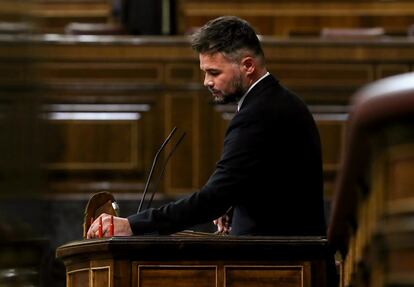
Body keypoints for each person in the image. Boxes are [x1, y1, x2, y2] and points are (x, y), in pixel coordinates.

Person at [87, 16, 326, 239]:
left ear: (248, 66)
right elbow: (274, 184)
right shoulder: (279, 101)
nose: (206, 82)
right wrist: (234, 201)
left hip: (282, 266)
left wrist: (131, 225)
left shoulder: (259, 114)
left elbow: (211, 199)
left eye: (214, 72)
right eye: (204, 72)